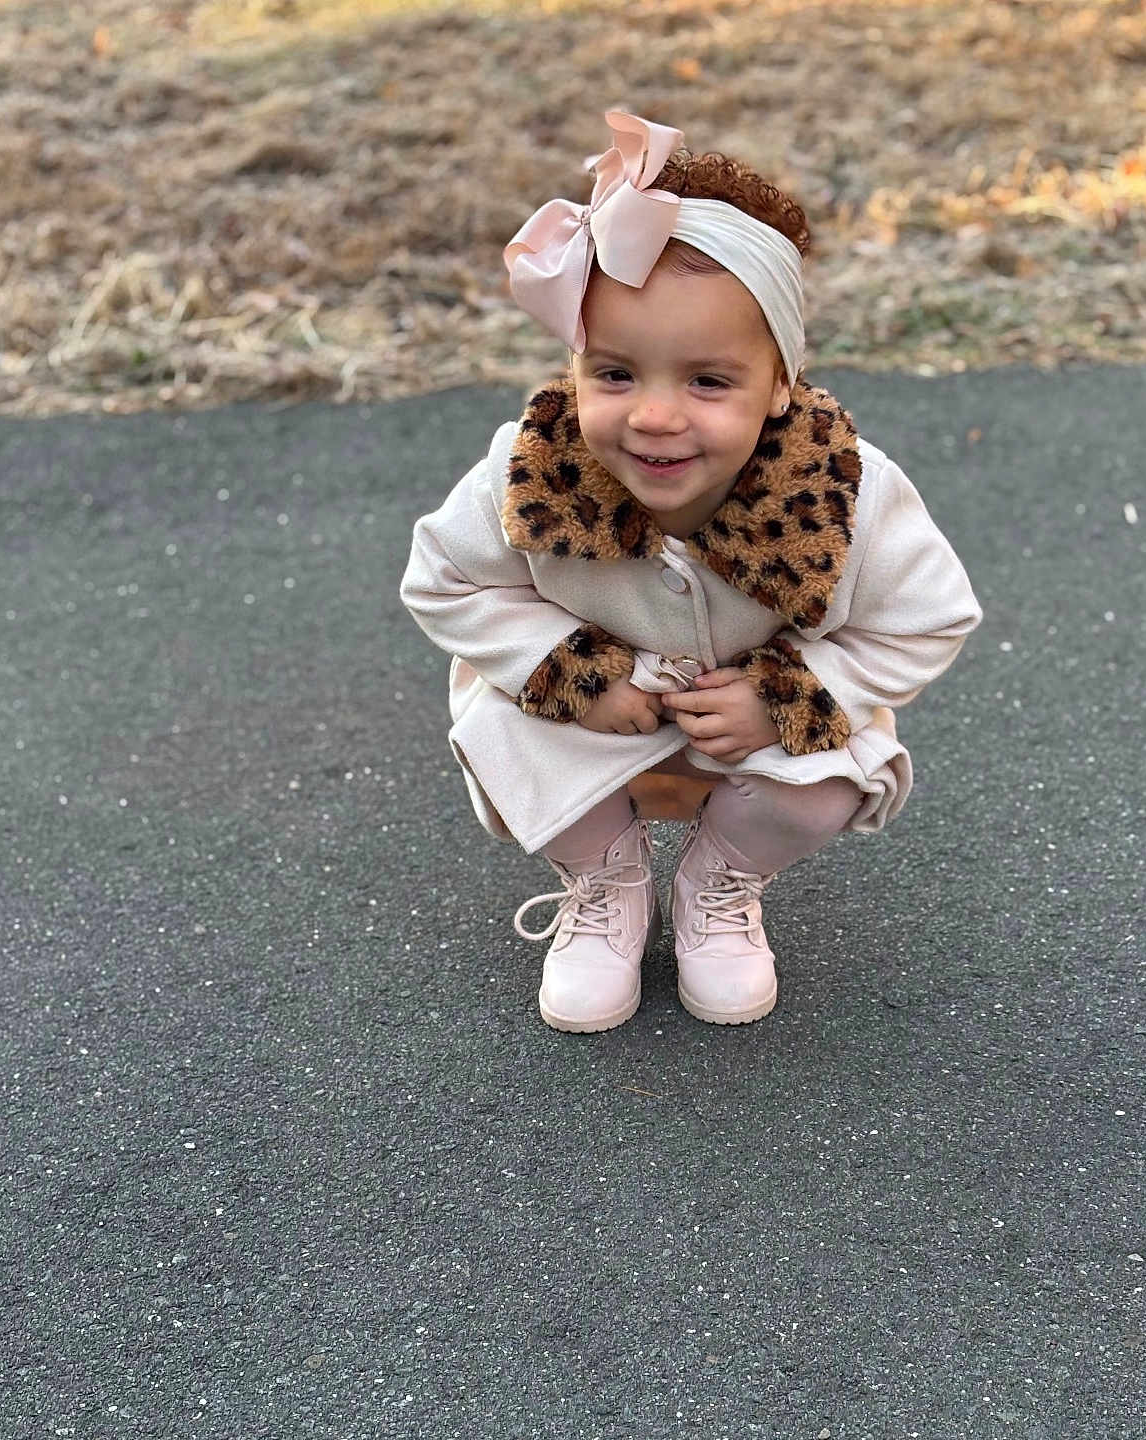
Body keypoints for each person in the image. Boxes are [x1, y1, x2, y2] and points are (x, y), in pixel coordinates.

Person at [400, 110, 981, 1033]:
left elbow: (929, 616)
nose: (656, 417)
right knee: (504, 729)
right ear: (574, 364)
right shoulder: (534, 470)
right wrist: (570, 673)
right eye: (617, 374)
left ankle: (723, 881)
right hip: (596, 710)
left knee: (831, 775)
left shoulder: (845, 490)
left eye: (709, 382)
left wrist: (792, 694)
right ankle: (604, 884)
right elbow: (444, 579)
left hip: (741, 716)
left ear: (779, 383)